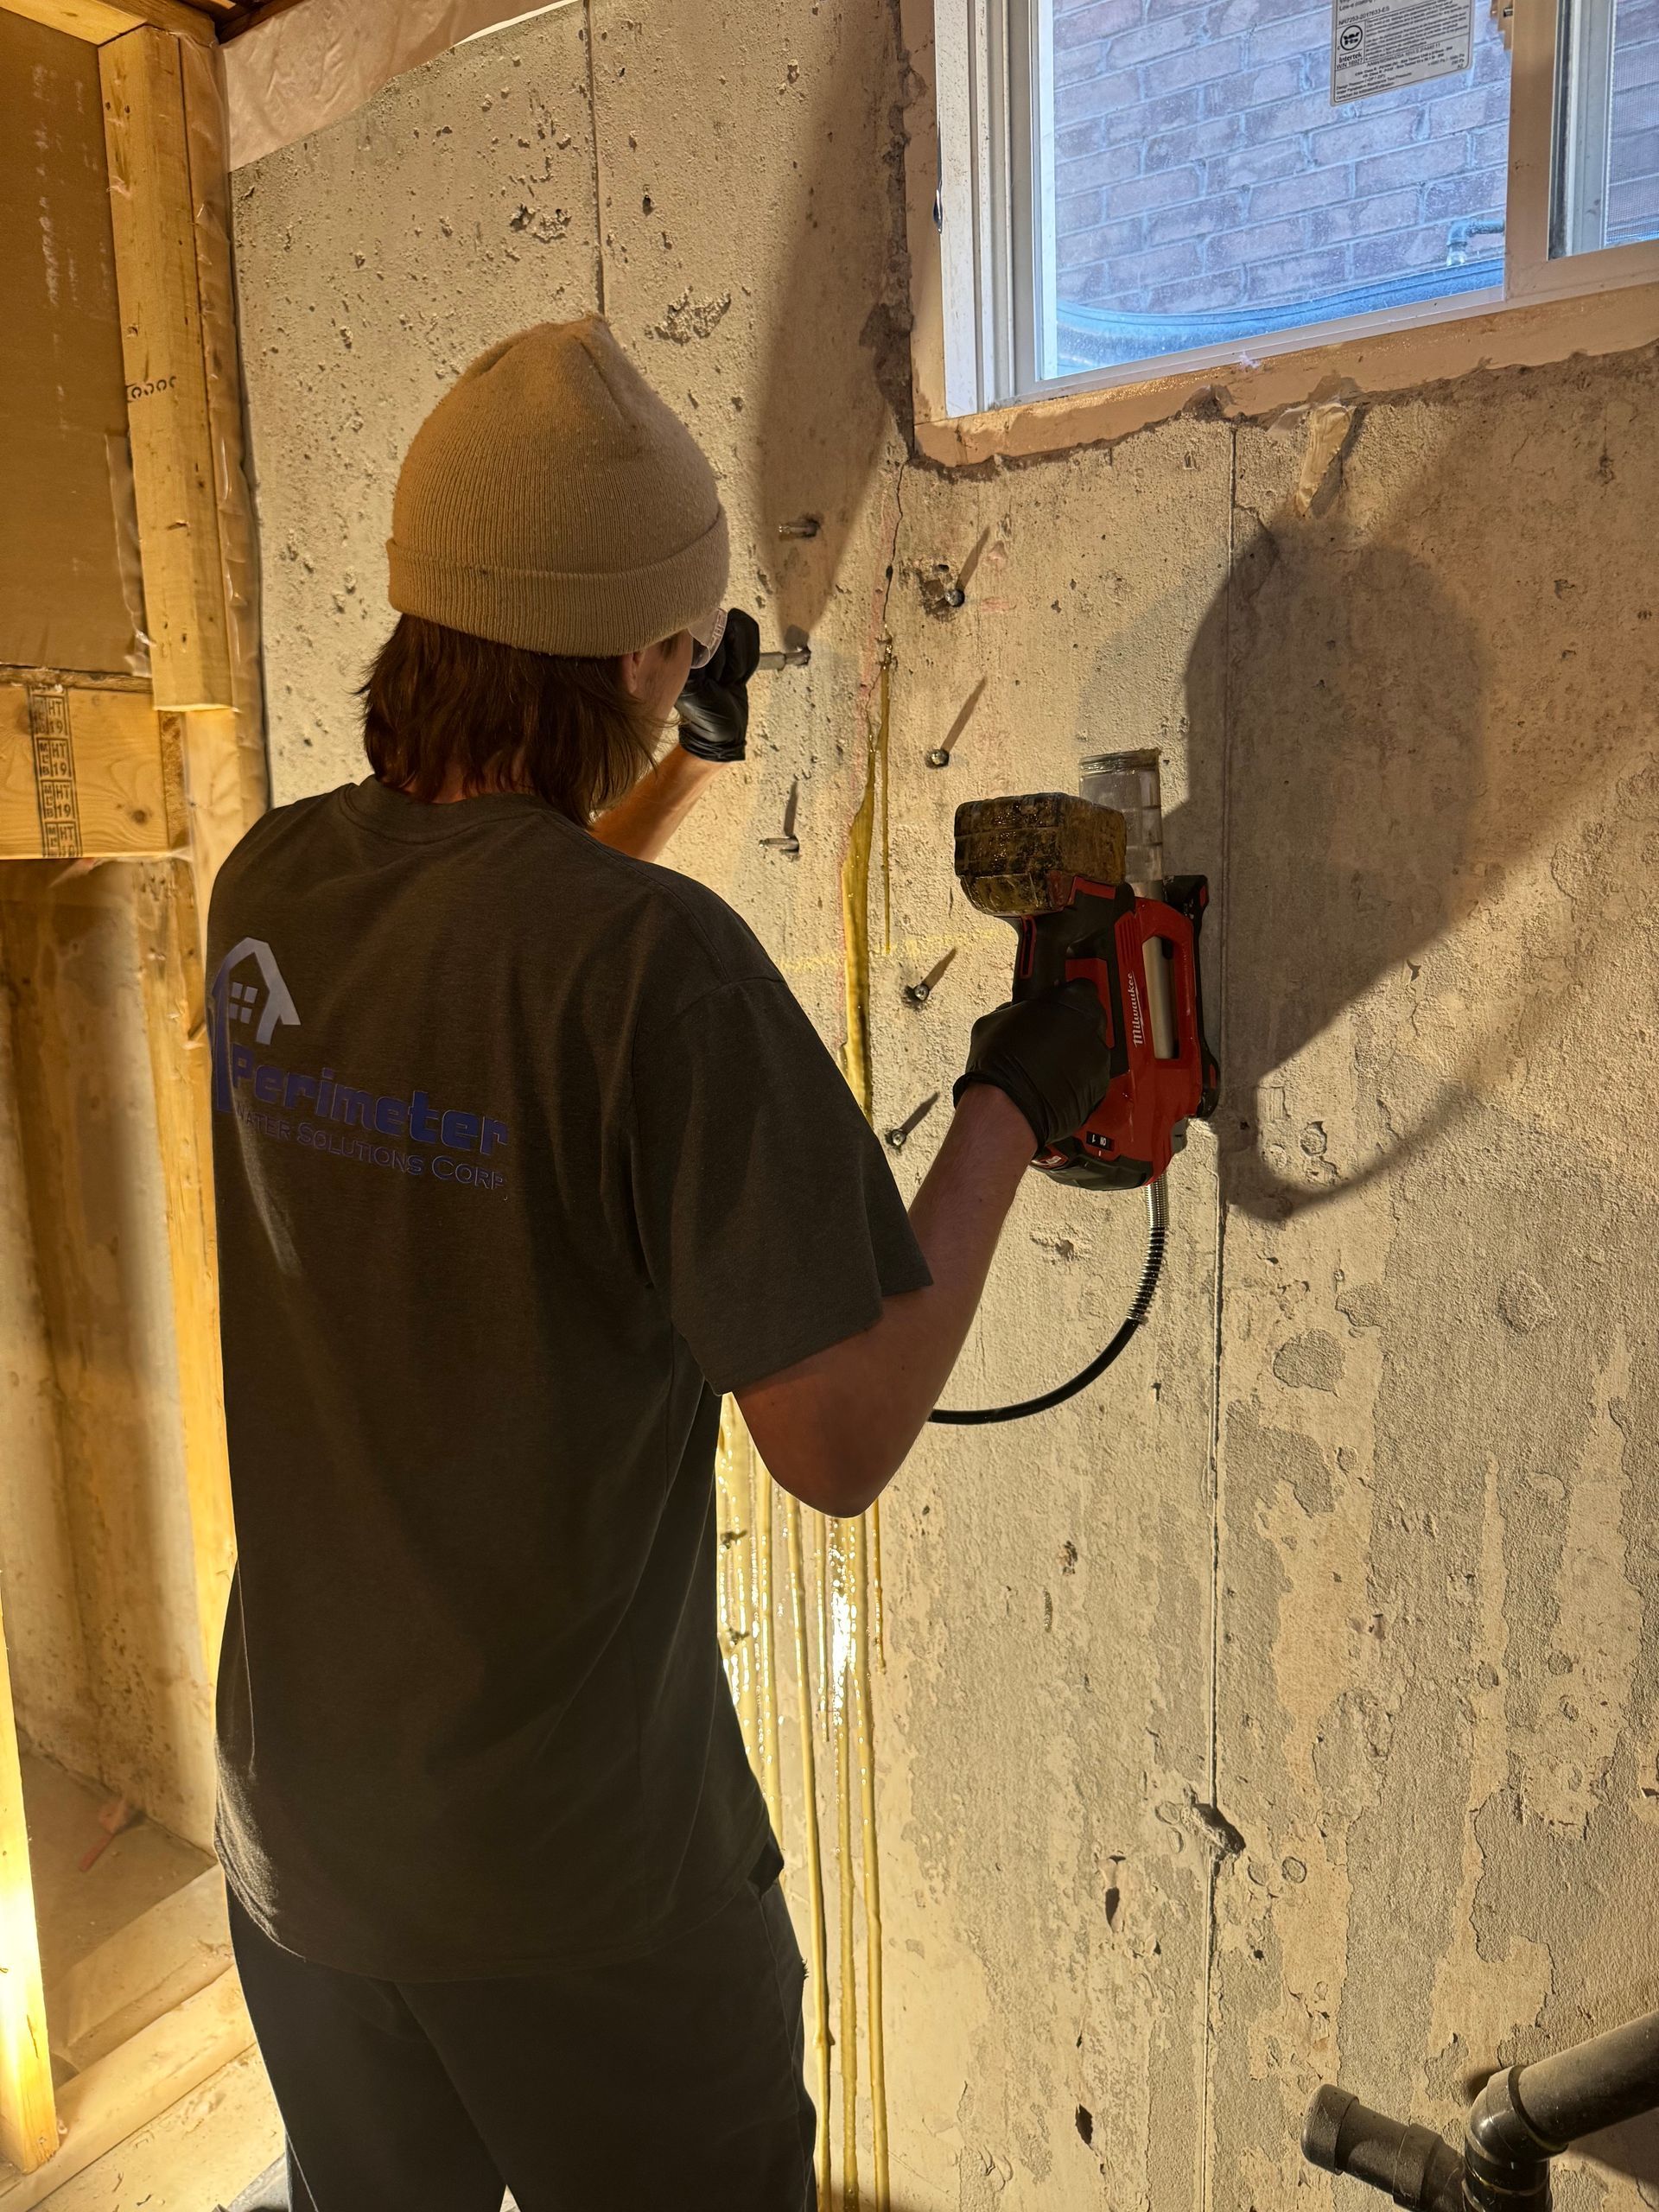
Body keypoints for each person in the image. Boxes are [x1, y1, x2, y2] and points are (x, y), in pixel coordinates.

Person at [207, 316, 1112, 2212]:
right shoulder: (658, 974)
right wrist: (1015, 1099)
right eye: (683, 646)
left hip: (308, 1844)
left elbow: (491, 944)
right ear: (638, 658)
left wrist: (674, 770)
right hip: (575, 1898)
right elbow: (838, 1433)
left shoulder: (272, 887)